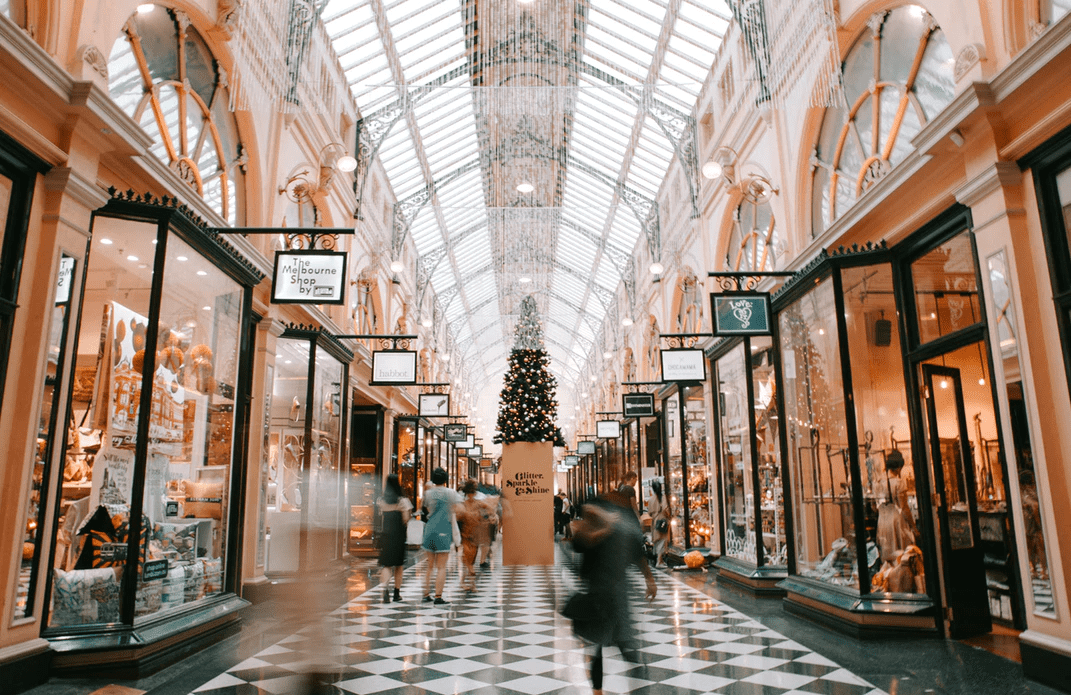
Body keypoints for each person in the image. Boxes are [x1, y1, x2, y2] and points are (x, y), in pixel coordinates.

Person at [569, 494, 657, 695]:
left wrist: (649, 579)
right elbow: (580, 543)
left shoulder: (618, 529)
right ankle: (597, 691)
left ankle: (635, 690)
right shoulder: (592, 530)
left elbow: (636, 553)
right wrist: (606, 527)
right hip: (598, 595)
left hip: (615, 594)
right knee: (598, 648)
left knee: (624, 647)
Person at [421, 467, 461, 604]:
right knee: (441, 566)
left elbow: (425, 509)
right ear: (445, 480)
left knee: (429, 566)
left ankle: (425, 594)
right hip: (444, 529)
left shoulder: (427, 494)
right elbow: (458, 509)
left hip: (429, 529)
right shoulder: (451, 493)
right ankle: (438, 596)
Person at [457, 478, 497, 591]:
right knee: (467, 559)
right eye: (469, 493)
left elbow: (491, 509)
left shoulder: (478, 503)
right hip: (466, 536)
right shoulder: (463, 505)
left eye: (472, 493)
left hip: (474, 536)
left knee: (471, 560)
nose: (470, 496)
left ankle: (466, 582)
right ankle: (470, 582)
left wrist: (490, 518)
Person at [377, 474, 411, 603]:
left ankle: (385, 588)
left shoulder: (382, 501)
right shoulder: (403, 501)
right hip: (398, 536)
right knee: (398, 566)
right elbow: (406, 519)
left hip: (386, 535)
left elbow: (380, 515)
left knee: (386, 565)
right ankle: (397, 593)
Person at [646, 479, 670, 567]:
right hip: (662, 520)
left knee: (657, 540)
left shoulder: (651, 499)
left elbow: (649, 512)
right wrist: (669, 516)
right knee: (662, 540)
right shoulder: (662, 498)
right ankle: (659, 561)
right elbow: (665, 508)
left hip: (655, 521)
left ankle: (659, 560)